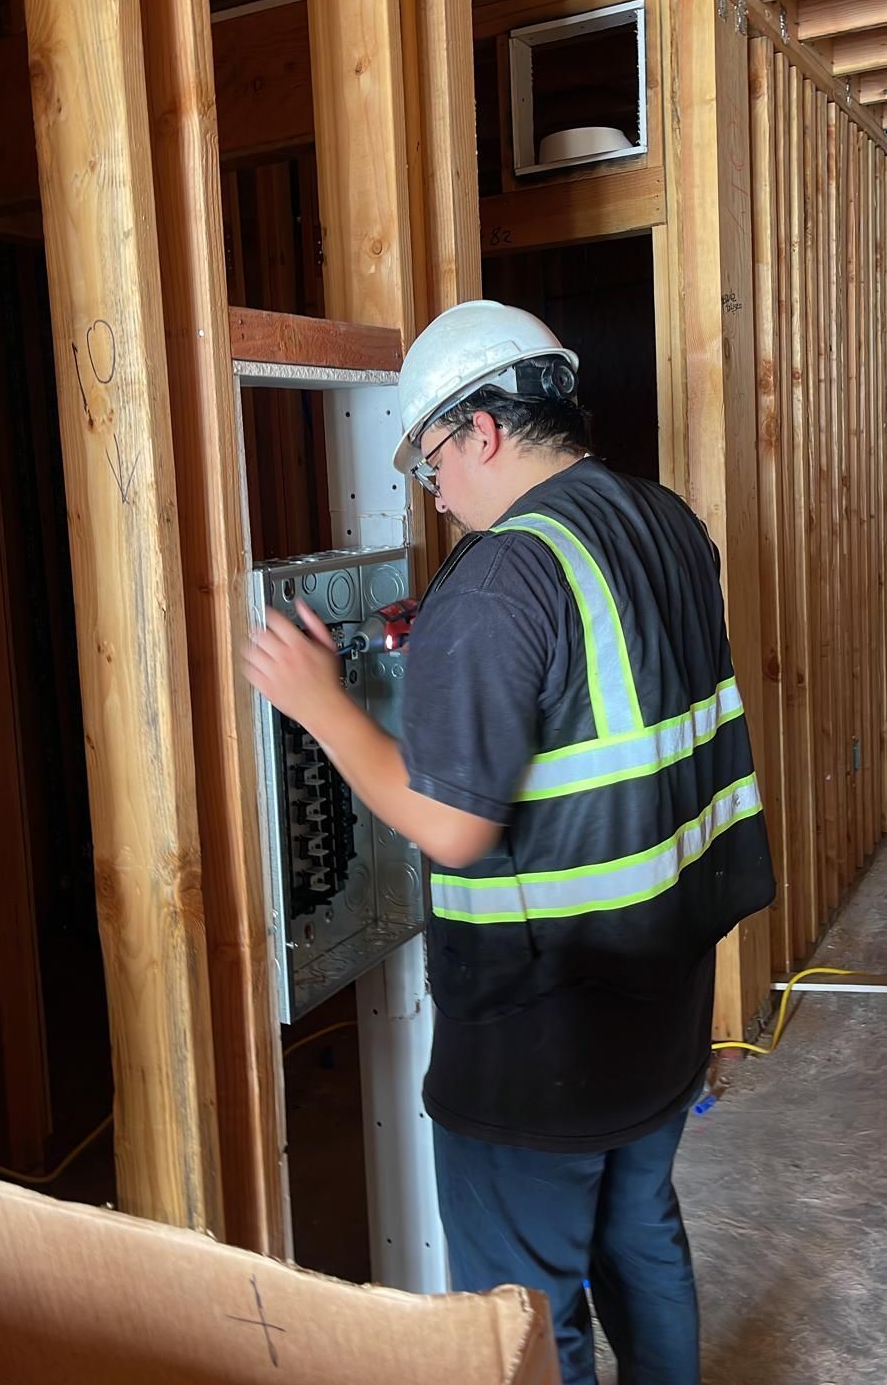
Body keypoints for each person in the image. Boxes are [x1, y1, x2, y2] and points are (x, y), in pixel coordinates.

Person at [243, 300, 775, 1385]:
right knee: (639, 1236)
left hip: (540, 1038)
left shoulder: (495, 580)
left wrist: (322, 705)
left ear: (482, 430)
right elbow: (592, 693)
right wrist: (441, 658)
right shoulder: (663, 518)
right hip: (660, 994)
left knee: (522, 1310)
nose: (434, 497)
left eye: (433, 465)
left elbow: (453, 821)